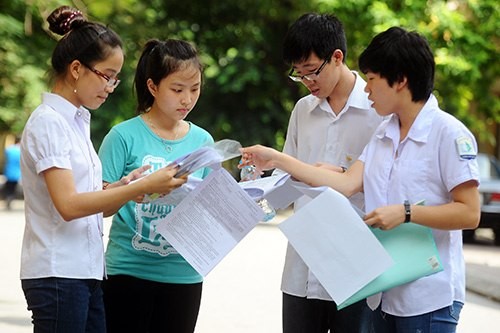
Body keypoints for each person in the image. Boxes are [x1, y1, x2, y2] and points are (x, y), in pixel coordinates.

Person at [240, 26, 480, 333]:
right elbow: (346, 183)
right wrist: (275, 158)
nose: (367, 90)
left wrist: (406, 213)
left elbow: (470, 213)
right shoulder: (384, 134)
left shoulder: (448, 133)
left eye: (372, 80)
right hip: (384, 293)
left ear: (401, 80)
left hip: (428, 298)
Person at [20, 6, 186, 333]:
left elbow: (90, 202)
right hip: (58, 273)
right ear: (77, 69)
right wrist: (137, 188)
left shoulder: (77, 122)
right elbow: (68, 205)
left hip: (86, 272)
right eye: (106, 75)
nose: (111, 86)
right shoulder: (49, 123)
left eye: (115, 77)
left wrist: (123, 187)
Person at [98, 38, 214, 333]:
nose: (187, 99)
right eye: (177, 90)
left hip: (184, 275)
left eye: (195, 89)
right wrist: (136, 188)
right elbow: (99, 207)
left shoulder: (203, 142)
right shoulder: (122, 137)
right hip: (127, 272)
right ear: (153, 87)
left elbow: (213, 208)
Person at [277, 13, 383, 333]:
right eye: (299, 75)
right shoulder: (303, 110)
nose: (307, 82)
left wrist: (340, 175)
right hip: (302, 266)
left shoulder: (377, 109)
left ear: (337, 57)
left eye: (311, 72)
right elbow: (288, 180)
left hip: (357, 265)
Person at [3, 136, 21, 210]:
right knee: (13, 188)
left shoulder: (9, 149)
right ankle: (10, 199)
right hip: (17, 173)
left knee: (8, 187)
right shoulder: (20, 150)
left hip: (9, 171)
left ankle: (8, 198)